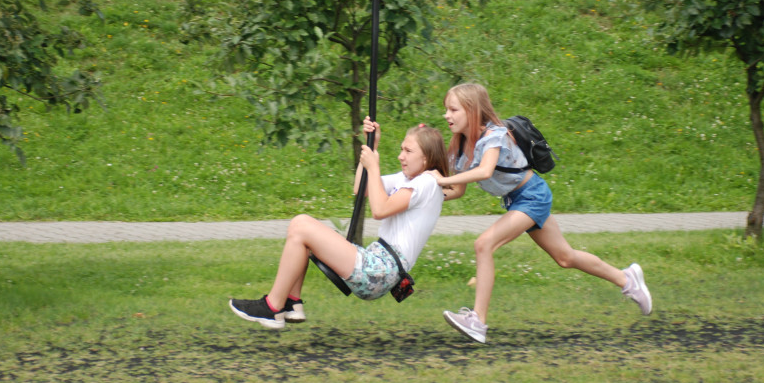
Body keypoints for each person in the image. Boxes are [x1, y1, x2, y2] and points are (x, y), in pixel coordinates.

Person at [431, 83, 652, 344]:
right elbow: (457, 190)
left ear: (472, 110)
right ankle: (627, 279)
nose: (447, 115)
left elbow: (485, 171)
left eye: (453, 109)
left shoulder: (494, 136)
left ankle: (478, 321)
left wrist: (440, 181)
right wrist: (424, 194)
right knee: (565, 258)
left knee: (484, 244)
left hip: (532, 195)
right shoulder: (460, 147)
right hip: (518, 200)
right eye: (446, 109)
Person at [230, 117, 448, 330]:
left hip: (380, 271)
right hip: (376, 264)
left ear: (427, 159)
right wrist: (372, 146)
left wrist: (374, 166)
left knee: (301, 224)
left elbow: (379, 210)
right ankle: (290, 302)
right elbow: (360, 189)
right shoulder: (407, 179)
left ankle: (272, 307)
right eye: (401, 149)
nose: (401, 156)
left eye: (408, 152)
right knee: (300, 234)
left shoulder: (427, 183)